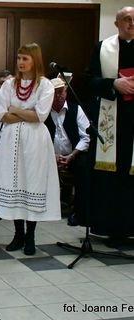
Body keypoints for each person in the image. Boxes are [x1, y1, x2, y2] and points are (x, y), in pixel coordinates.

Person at [0, 43, 60, 255]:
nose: (20, 62)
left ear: (35, 60)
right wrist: (24, 112)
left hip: (35, 140)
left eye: (25, 58)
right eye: (19, 58)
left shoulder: (45, 85)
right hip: (11, 139)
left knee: (32, 182)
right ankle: (18, 234)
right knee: (14, 183)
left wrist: (15, 109)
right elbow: (1, 114)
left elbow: (40, 115)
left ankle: (30, 236)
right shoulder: (9, 84)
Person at [85, 6, 134, 247]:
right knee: (112, 178)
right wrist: (114, 84)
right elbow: (89, 80)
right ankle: (112, 229)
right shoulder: (103, 47)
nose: (132, 24)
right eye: (127, 19)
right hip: (112, 123)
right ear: (117, 23)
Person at [44, 76, 90, 227]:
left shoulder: (76, 109)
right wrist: (53, 156)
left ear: (66, 92)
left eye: (61, 92)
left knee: (84, 167)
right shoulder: (43, 112)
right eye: (55, 93)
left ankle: (77, 211)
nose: (59, 96)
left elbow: (86, 137)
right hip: (48, 157)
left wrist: (72, 155)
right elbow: (39, 139)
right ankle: (44, 207)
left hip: (73, 155)